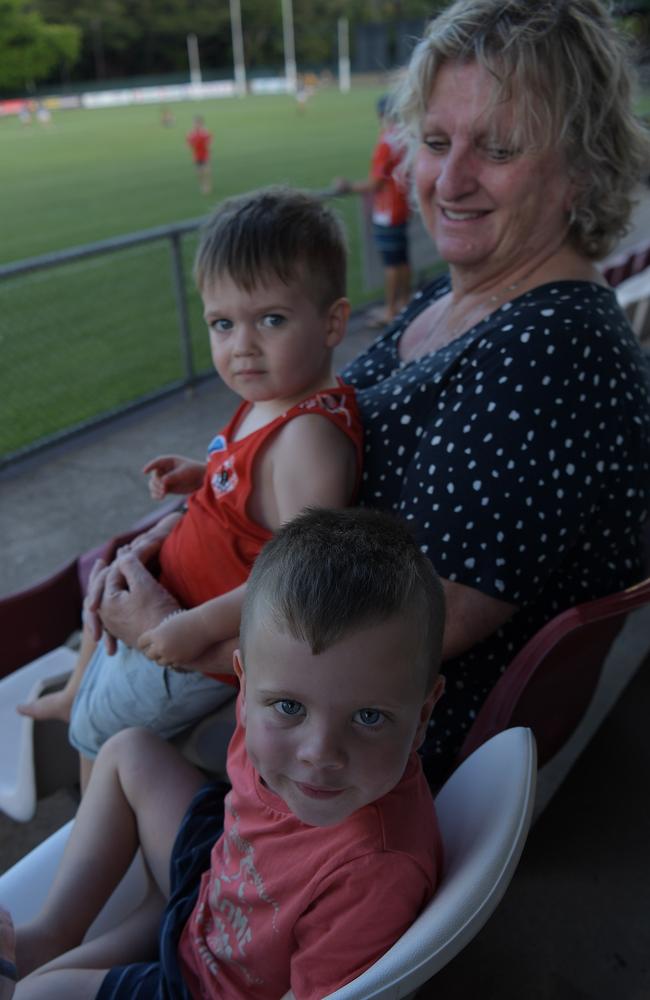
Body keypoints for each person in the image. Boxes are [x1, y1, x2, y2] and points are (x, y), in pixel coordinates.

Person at [69, 0, 650, 795]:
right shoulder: (449, 303)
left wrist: (171, 635)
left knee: (105, 733)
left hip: (353, 763)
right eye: (436, 143)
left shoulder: (552, 352)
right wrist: (182, 531)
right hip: (283, 659)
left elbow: (390, 640)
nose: (450, 179)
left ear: (581, 168)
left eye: (499, 148)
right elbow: (298, 444)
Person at [4, 507, 446, 1000]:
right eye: (289, 707)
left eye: (368, 717)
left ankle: (141, 926)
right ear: (244, 683)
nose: (319, 753)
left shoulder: (375, 872)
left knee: (38, 993)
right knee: (128, 751)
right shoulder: (260, 715)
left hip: (211, 984)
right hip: (216, 880)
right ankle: (56, 931)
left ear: (424, 714)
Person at [19, 187, 362, 790]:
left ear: (333, 321)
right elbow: (257, 486)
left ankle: (96, 837)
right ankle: (73, 694)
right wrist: (203, 473)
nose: (241, 346)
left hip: (191, 642)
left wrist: (196, 628)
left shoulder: (310, 439)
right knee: (101, 598)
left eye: (271, 320)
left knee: (98, 734)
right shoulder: (271, 399)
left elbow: (294, 579)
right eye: (222, 324)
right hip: (173, 602)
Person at [334, 94, 412, 324]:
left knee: (391, 262)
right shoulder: (405, 136)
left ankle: (390, 310)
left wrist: (348, 186)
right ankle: (404, 302)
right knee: (402, 258)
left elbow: (375, 183)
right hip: (403, 206)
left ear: (381, 115)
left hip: (388, 211)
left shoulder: (386, 143)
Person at [186, 115, 213, 194]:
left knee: (207, 171)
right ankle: (202, 185)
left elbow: (209, 141)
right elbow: (189, 144)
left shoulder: (205, 132)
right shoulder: (191, 133)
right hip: (197, 155)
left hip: (205, 154)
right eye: (195, 123)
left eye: (198, 123)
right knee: (199, 172)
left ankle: (207, 186)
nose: (196, 124)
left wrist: (208, 146)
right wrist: (191, 144)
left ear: (201, 123)